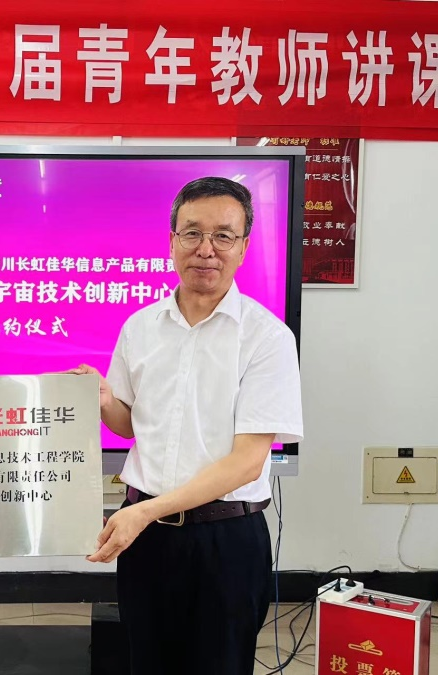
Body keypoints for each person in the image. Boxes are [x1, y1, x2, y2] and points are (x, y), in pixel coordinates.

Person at [72, 177, 303, 674]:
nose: (206, 249)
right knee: (147, 662)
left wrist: (145, 512)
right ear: (172, 240)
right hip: (147, 539)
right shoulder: (140, 327)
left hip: (225, 539)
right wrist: (105, 399)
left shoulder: (267, 338)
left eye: (223, 236)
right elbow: (129, 426)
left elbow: (247, 462)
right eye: (192, 233)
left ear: (244, 247)